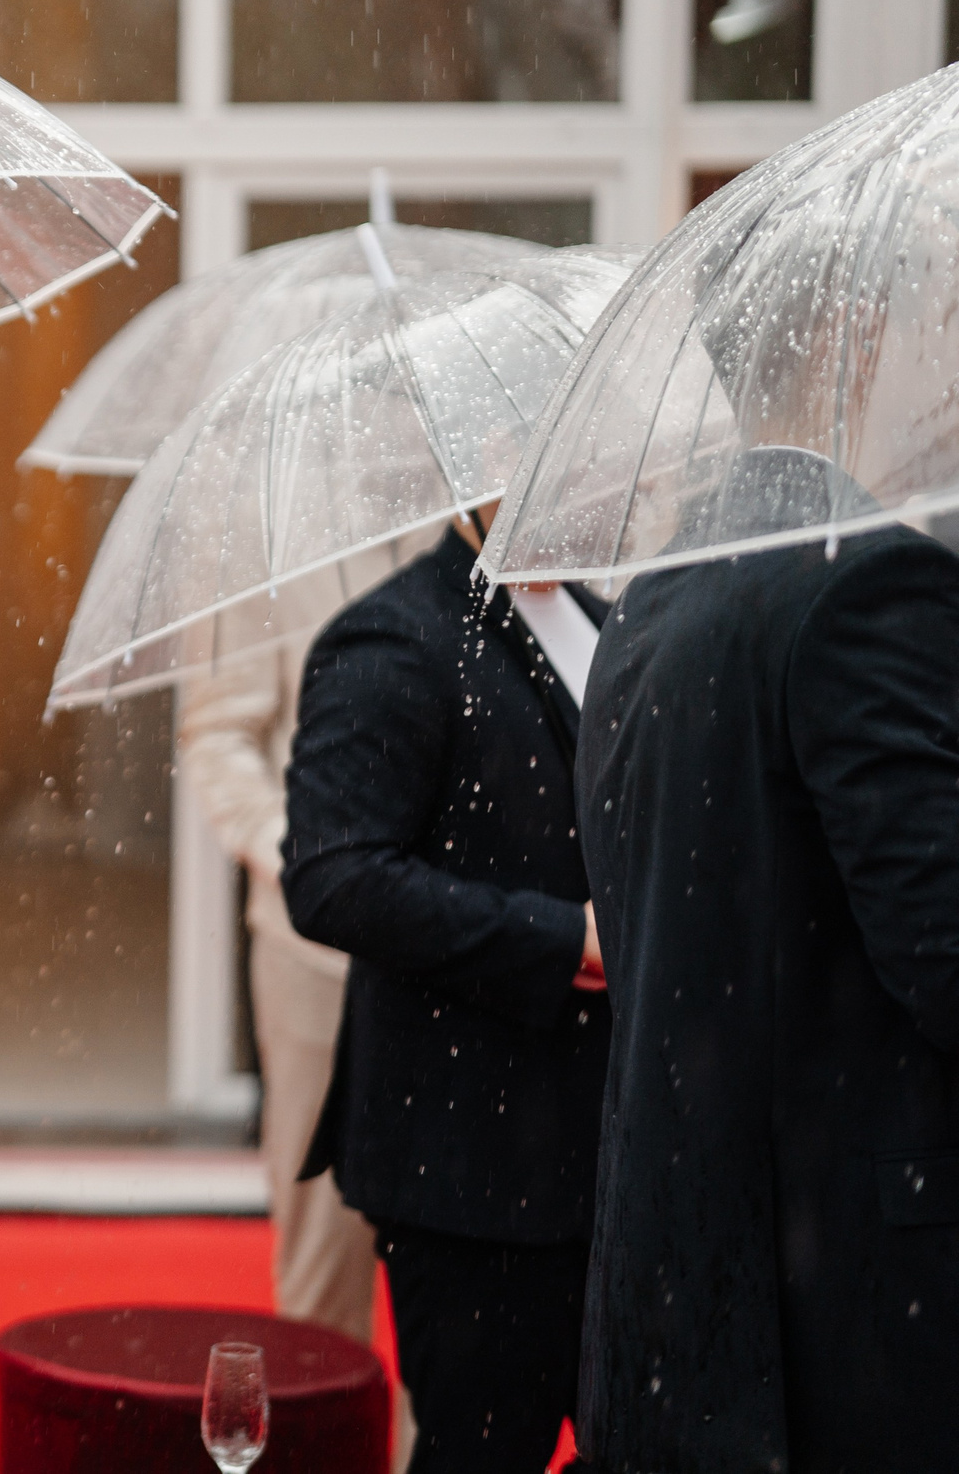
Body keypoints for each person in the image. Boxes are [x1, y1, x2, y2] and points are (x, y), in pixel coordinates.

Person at [571, 448, 959, 1472]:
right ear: (858, 333)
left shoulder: (654, 593)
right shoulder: (867, 581)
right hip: (855, 1312)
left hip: (687, 1278)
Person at [282, 510, 610, 1474]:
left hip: (609, 1148)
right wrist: (565, 942)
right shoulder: (397, 631)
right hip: (474, 1165)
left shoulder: (602, 611)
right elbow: (334, 873)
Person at [178, 647, 378, 1337]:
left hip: (471, 941)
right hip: (314, 947)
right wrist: (310, 862)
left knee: (461, 1289)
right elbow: (218, 733)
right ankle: (324, 1443)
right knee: (322, 1269)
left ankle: (430, 1451)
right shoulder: (267, 540)